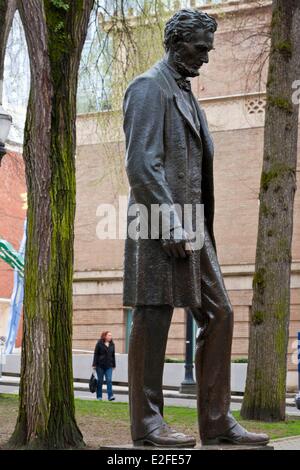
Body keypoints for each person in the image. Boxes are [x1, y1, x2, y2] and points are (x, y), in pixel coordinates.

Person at [123, 8, 270, 447]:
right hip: (157, 221)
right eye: (200, 47)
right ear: (177, 41)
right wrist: (169, 223)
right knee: (153, 315)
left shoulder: (186, 93)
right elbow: (141, 164)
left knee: (220, 311)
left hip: (193, 226)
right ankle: (148, 424)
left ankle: (217, 420)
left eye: (208, 48)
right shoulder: (149, 87)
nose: (206, 57)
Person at [92, 331, 116, 401]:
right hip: (100, 366)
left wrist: (114, 365)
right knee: (100, 381)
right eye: (109, 335)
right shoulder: (99, 343)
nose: (110, 337)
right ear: (105, 336)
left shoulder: (112, 344)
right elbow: (96, 354)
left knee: (109, 380)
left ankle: (110, 396)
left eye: (111, 335)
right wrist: (94, 364)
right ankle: (99, 397)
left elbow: (113, 355)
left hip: (109, 366)